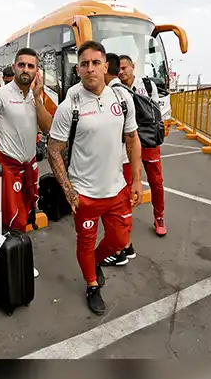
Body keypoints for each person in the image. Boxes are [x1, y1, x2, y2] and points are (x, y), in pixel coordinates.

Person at [47, 41, 143, 316]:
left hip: (117, 190)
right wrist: (68, 190)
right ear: (78, 69)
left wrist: (136, 180)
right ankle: (91, 284)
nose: (90, 69)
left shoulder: (122, 99)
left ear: (105, 67)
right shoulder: (70, 105)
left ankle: (95, 262)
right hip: (85, 194)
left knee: (119, 241)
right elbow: (54, 150)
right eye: (85, 64)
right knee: (85, 243)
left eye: (95, 63)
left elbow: (132, 139)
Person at [0, 48, 54, 278]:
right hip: (8, 168)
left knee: (26, 213)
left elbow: (48, 127)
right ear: (14, 66)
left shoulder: (36, 96)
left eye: (31, 66)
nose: (26, 70)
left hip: (29, 166)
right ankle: (18, 261)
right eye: (22, 65)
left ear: (36, 71)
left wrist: (38, 98)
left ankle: (10, 255)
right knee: (15, 218)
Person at [119, 55, 167, 237]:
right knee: (125, 184)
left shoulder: (147, 86)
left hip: (148, 143)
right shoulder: (115, 89)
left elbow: (156, 114)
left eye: (125, 68)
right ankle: (125, 222)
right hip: (127, 144)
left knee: (156, 182)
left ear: (133, 67)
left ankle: (159, 216)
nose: (122, 72)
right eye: (119, 69)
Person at [103, 53, 135, 266]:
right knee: (122, 206)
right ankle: (127, 246)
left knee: (115, 209)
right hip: (126, 159)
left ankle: (119, 250)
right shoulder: (125, 91)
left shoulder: (113, 94)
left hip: (119, 160)